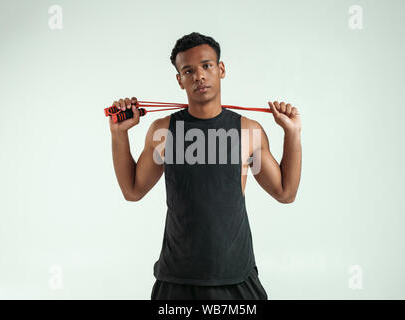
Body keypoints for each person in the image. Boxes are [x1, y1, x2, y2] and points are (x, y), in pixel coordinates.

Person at [109, 32, 302, 300]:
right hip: (177, 279)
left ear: (221, 69)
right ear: (180, 80)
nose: (199, 75)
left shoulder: (248, 130)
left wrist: (292, 133)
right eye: (188, 70)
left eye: (206, 66)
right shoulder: (163, 130)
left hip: (236, 276)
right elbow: (132, 191)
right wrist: (119, 134)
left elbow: (285, 192)